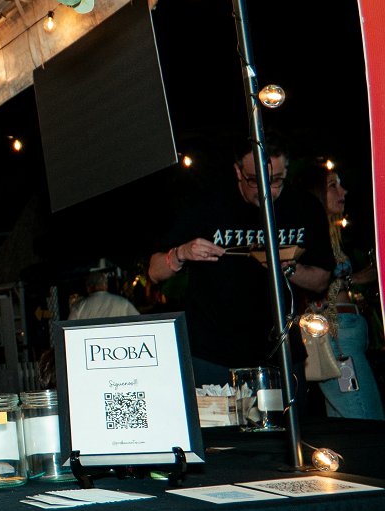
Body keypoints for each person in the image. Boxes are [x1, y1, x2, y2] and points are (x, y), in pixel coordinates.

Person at [148, 136, 331, 386]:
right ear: (238, 171)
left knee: (288, 412)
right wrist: (181, 253)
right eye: (255, 180)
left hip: (280, 351)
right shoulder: (207, 204)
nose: (267, 190)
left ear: (286, 170)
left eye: (276, 179)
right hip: (213, 355)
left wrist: (287, 269)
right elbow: (154, 271)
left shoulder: (304, 207)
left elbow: (321, 280)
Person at [304, 163, 383, 419]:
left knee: (350, 421)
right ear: (316, 193)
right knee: (364, 418)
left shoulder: (331, 234)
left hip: (347, 332)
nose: (343, 191)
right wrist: (355, 279)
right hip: (337, 337)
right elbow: (316, 283)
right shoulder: (311, 237)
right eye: (332, 186)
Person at [69, 264, 139, 320]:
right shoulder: (123, 303)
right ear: (105, 285)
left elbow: (70, 328)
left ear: (88, 287)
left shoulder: (79, 306)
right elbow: (139, 321)